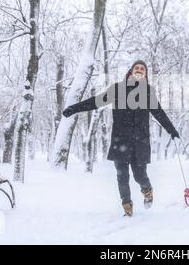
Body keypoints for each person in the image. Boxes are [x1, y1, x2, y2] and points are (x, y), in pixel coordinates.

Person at [63, 60, 179, 217]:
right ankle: (127, 205)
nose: (139, 70)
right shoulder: (118, 89)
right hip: (120, 140)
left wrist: (172, 131)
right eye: (136, 68)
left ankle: (147, 190)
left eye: (142, 69)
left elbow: (159, 114)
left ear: (145, 74)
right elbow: (96, 102)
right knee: (121, 175)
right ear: (131, 72)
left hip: (140, 143)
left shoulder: (147, 93)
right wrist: (74, 108)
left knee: (140, 176)